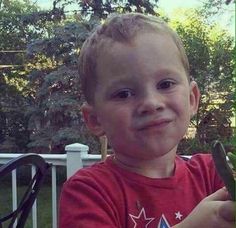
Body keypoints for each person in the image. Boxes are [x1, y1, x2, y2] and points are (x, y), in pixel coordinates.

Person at [59, 13, 235, 227]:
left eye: (165, 84)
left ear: (191, 99)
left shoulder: (214, 172)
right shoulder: (88, 192)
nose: (151, 103)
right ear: (95, 120)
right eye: (124, 94)